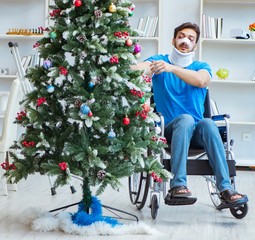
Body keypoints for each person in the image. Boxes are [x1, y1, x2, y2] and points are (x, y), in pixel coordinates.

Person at [131, 22, 248, 208]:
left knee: (208, 123)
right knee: (185, 119)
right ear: (173, 40)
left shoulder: (200, 66)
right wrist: (139, 66)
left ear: (195, 45)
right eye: (181, 36)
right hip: (169, 131)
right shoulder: (159, 62)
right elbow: (138, 68)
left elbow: (202, 81)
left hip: (197, 134)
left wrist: (172, 68)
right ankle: (178, 186)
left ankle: (226, 190)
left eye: (190, 38)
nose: (185, 41)